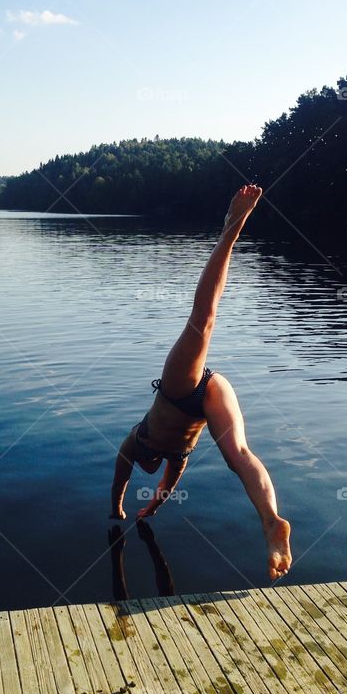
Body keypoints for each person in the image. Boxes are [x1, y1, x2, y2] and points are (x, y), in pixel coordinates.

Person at [109, 185, 292, 581]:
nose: (151, 466)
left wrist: (116, 507)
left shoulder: (134, 441)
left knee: (203, 320)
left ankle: (232, 228)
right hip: (209, 396)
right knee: (238, 454)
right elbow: (163, 493)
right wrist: (148, 511)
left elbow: (118, 478)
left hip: (179, 392)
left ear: (144, 456)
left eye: (147, 464)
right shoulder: (174, 462)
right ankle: (271, 520)